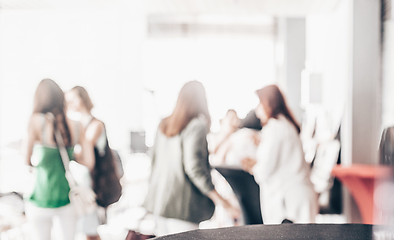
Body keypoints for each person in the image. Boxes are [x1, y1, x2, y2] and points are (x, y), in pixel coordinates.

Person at [143, 81, 240, 236]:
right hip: (182, 208)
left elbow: (154, 162)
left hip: (159, 205)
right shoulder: (197, 125)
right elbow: (194, 167)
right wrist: (224, 203)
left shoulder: (164, 124)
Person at [23, 79, 94, 240]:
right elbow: (89, 161)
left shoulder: (35, 121)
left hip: (39, 198)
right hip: (66, 198)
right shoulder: (76, 125)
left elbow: (26, 160)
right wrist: (69, 155)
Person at [241, 85, 318, 224]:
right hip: (299, 197)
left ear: (269, 103)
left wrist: (252, 166)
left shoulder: (274, 127)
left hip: (289, 202)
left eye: (260, 103)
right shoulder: (285, 125)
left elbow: (264, 170)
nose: (257, 110)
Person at [66, 86, 120, 240]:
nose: (69, 103)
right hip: (84, 184)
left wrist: (65, 151)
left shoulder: (95, 125)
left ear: (82, 99)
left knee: (90, 231)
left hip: (94, 185)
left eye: (72, 98)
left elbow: (85, 154)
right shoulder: (79, 124)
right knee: (87, 230)